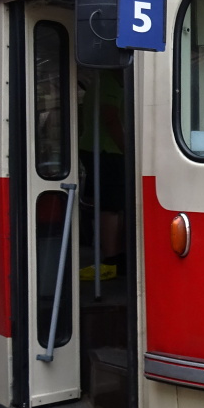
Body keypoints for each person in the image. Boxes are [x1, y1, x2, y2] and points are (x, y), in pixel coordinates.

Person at [79, 68, 126, 274]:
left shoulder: (106, 82)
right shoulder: (109, 83)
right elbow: (110, 118)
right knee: (111, 206)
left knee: (116, 204)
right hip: (105, 149)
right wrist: (128, 149)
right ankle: (112, 258)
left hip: (103, 149)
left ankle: (117, 254)